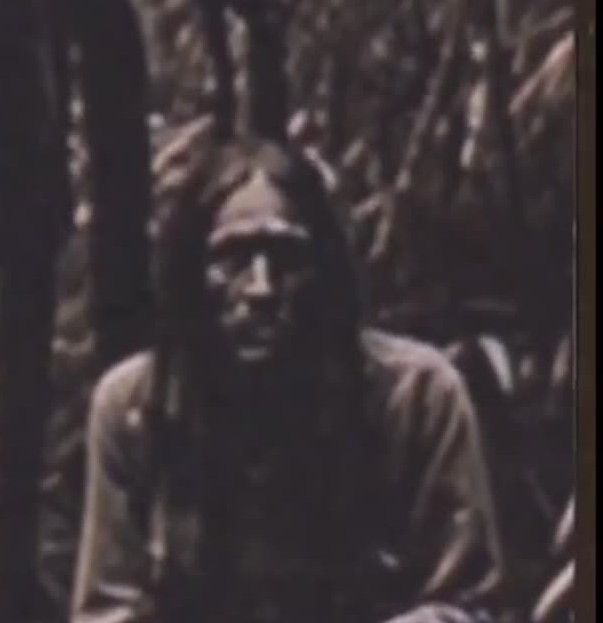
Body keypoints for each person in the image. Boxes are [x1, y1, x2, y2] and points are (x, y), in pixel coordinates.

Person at [71, 137, 506, 622]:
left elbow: (463, 608)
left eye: (286, 259)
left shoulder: (417, 399)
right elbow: (110, 612)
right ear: (192, 274)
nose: (261, 288)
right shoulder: (136, 409)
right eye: (233, 259)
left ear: (324, 273)